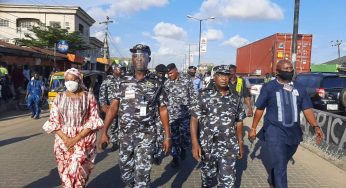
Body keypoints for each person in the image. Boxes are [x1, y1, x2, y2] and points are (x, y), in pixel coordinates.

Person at [98, 44, 171, 187]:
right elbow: (113, 107)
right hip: (125, 135)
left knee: (142, 175)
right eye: (136, 56)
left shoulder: (156, 83)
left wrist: (167, 136)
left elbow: (163, 109)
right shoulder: (122, 82)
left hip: (147, 135)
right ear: (132, 59)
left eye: (143, 56)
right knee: (126, 174)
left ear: (148, 59)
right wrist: (104, 132)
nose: (139, 59)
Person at [248, 59, 324, 188]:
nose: (289, 71)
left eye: (290, 68)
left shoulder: (299, 88)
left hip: (294, 132)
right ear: (277, 72)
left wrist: (315, 126)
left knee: (281, 163)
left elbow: (307, 109)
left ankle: (272, 179)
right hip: (274, 130)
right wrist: (253, 128)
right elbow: (260, 108)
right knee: (280, 165)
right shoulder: (269, 87)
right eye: (286, 69)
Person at [42, 68, 103, 187]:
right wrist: (66, 140)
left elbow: (94, 120)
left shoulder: (88, 97)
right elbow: (53, 121)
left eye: (73, 79)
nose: (69, 83)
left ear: (79, 80)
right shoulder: (59, 98)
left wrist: (75, 139)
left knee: (78, 174)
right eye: (67, 80)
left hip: (83, 139)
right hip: (62, 140)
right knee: (65, 175)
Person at [190, 65, 245, 187]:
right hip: (208, 145)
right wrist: (195, 143)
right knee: (208, 180)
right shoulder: (203, 95)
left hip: (229, 145)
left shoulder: (236, 97)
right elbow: (194, 119)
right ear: (214, 77)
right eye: (220, 75)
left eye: (226, 75)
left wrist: (240, 142)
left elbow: (239, 121)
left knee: (227, 182)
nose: (224, 78)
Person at [165, 63, 197, 167]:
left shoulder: (186, 80)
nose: (169, 75)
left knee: (184, 135)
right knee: (174, 137)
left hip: (184, 114)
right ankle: (175, 157)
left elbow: (193, 96)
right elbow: (164, 99)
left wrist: (194, 111)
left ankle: (183, 148)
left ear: (176, 70)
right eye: (168, 74)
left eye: (171, 73)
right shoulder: (167, 83)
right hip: (172, 116)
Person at [99, 63, 126, 151]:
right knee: (113, 125)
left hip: (124, 108)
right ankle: (114, 142)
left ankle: (122, 143)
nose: (122, 71)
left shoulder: (126, 80)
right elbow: (102, 93)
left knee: (123, 125)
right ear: (114, 70)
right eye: (119, 69)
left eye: (123, 69)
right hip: (111, 107)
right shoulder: (107, 81)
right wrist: (103, 105)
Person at [152, 64, 168, 165]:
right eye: (159, 73)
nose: (161, 75)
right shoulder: (150, 81)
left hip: (161, 112)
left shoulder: (166, 82)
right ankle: (152, 152)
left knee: (159, 134)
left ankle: (157, 154)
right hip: (150, 113)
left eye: (163, 73)